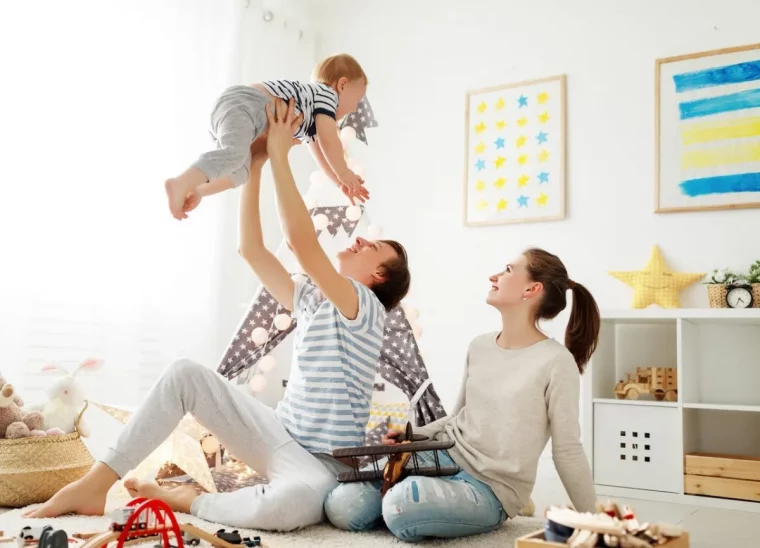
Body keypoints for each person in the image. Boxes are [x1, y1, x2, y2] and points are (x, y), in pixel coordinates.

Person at [24, 98, 411, 532]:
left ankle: (190, 500)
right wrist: (257, 164)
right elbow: (251, 250)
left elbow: (303, 243)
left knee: (283, 510)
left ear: (378, 275)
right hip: (277, 435)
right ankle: (96, 483)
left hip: (321, 466)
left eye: (371, 248)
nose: (359, 242)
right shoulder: (312, 297)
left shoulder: (367, 307)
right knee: (184, 374)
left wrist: (281, 152)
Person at [325, 248, 600, 542]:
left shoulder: (556, 362)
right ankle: (424, 507)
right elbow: (456, 419)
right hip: (442, 458)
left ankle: (421, 506)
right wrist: (413, 436)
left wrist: (595, 523)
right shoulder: (479, 346)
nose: (494, 276)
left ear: (532, 289)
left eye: (508, 269)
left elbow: (568, 450)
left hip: (489, 487)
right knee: (341, 506)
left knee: (401, 504)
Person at [164, 53, 370, 220]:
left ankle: (198, 189)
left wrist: (339, 182)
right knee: (233, 155)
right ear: (342, 85)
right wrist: (344, 173)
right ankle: (180, 181)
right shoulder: (327, 95)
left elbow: (320, 152)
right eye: (357, 100)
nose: (354, 109)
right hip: (247, 105)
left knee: (240, 171)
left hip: (243, 119)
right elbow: (329, 141)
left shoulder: (312, 117)